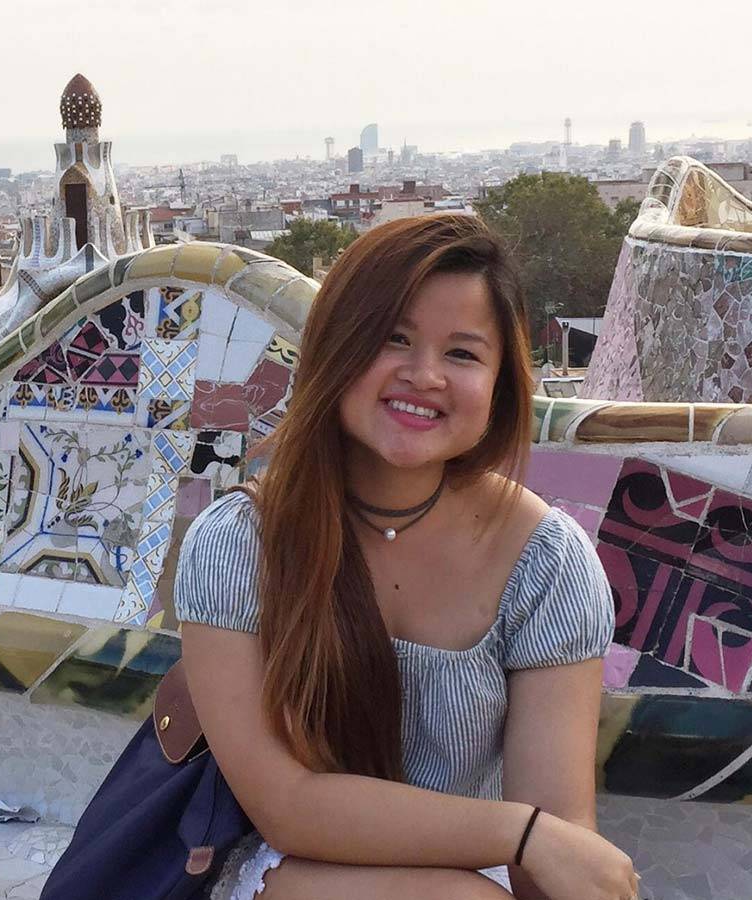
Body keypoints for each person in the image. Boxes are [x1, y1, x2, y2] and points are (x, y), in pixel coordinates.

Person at [175, 214, 639, 899]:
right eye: (393, 339)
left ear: (499, 384)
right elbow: (289, 806)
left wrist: (533, 843)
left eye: (462, 353)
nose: (424, 375)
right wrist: (521, 833)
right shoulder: (240, 545)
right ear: (337, 349)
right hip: (289, 868)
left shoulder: (547, 563)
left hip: (473, 878)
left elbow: (559, 841)